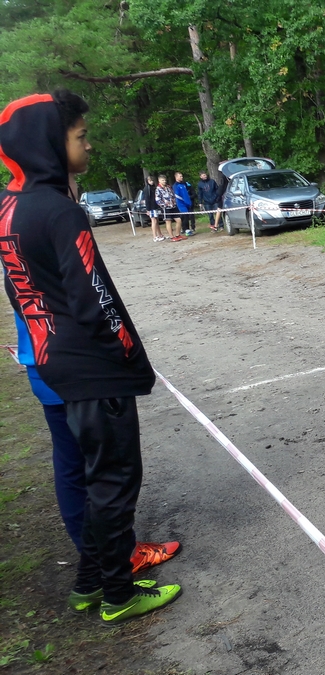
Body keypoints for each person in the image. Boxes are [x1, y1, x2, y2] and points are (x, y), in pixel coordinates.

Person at [0, 89, 182, 622]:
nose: (89, 145)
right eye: (81, 136)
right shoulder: (61, 211)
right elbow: (95, 298)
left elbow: (19, 290)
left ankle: (88, 583)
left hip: (52, 358)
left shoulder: (9, 207)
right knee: (114, 483)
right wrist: (131, 360)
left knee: (97, 477)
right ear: (49, 144)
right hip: (92, 368)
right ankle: (120, 595)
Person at [11, 313, 181, 588]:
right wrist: (125, 352)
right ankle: (116, 563)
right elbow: (90, 303)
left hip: (44, 360)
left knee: (72, 463)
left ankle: (100, 562)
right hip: (83, 366)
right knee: (109, 469)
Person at [155, 175, 183, 241]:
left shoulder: (168, 187)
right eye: (162, 180)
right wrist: (164, 205)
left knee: (179, 220)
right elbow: (157, 199)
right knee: (168, 221)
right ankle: (171, 237)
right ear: (159, 181)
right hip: (166, 208)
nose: (164, 181)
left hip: (173, 206)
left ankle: (177, 235)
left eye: (165, 180)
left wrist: (174, 202)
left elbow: (173, 195)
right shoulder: (158, 189)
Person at [140, 175, 165, 241]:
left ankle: (160, 235)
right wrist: (148, 209)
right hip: (151, 208)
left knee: (157, 221)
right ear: (147, 181)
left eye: (152, 180)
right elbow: (147, 199)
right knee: (154, 221)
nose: (152, 182)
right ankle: (154, 236)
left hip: (155, 206)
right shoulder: (147, 188)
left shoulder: (153, 187)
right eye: (150, 180)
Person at [173, 171, 194, 236]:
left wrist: (188, 202)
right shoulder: (175, 186)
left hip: (187, 204)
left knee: (187, 217)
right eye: (180, 176)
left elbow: (186, 194)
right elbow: (177, 196)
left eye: (182, 176)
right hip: (181, 204)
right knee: (184, 217)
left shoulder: (183, 184)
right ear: (176, 177)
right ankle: (185, 230)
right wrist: (184, 201)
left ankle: (187, 229)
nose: (182, 177)